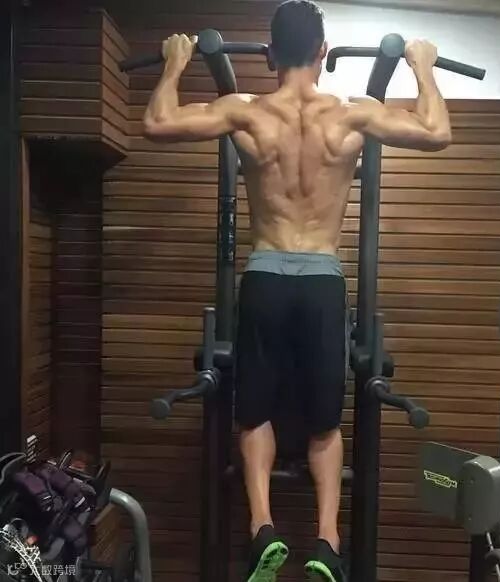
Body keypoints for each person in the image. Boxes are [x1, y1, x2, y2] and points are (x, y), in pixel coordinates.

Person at [143, 1, 451, 580]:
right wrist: (422, 66)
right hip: (322, 283)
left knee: (254, 412)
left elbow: (157, 122)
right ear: (323, 54)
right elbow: (437, 131)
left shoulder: (246, 112)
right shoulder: (352, 115)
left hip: (264, 277)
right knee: (325, 424)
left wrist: (176, 63)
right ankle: (327, 541)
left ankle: (262, 527)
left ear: (268, 55)